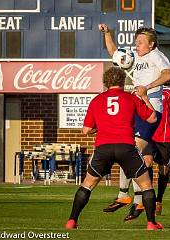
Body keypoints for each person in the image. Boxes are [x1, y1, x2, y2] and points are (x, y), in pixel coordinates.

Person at [65, 67, 163, 230]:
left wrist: (102, 127)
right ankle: (151, 223)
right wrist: (145, 97)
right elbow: (152, 118)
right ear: (122, 82)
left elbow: (86, 130)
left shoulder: (97, 100)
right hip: (126, 147)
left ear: (105, 83)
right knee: (146, 185)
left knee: (87, 185)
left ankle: (72, 221)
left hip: (103, 148)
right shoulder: (130, 99)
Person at [98, 23, 170, 216]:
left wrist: (147, 87)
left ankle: (126, 196)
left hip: (151, 106)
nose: (136, 45)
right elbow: (114, 51)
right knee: (129, 151)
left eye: (140, 42)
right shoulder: (135, 57)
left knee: (128, 150)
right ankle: (136, 200)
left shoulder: (156, 55)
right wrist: (107, 33)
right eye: (136, 42)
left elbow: (167, 75)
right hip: (136, 107)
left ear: (152, 44)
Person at [109, 86, 170, 221]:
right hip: (147, 136)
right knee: (146, 162)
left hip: (164, 137)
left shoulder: (167, 91)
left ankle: (159, 200)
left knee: (163, 170)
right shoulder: (136, 91)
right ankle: (144, 200)